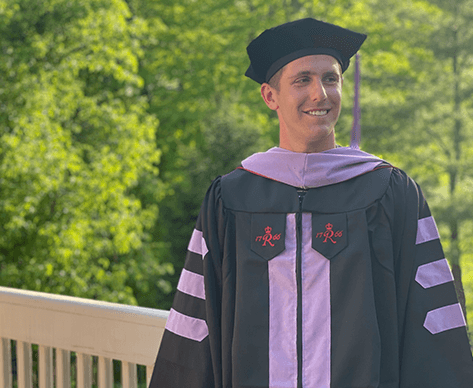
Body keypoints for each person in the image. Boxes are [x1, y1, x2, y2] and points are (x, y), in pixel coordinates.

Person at [148, 18, 473, 388]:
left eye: (330, 79)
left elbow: (434, 326)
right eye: (302, 80)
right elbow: (195, 327)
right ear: (270, 96)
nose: (320, 94)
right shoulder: (232, 198)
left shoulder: (389, 192)